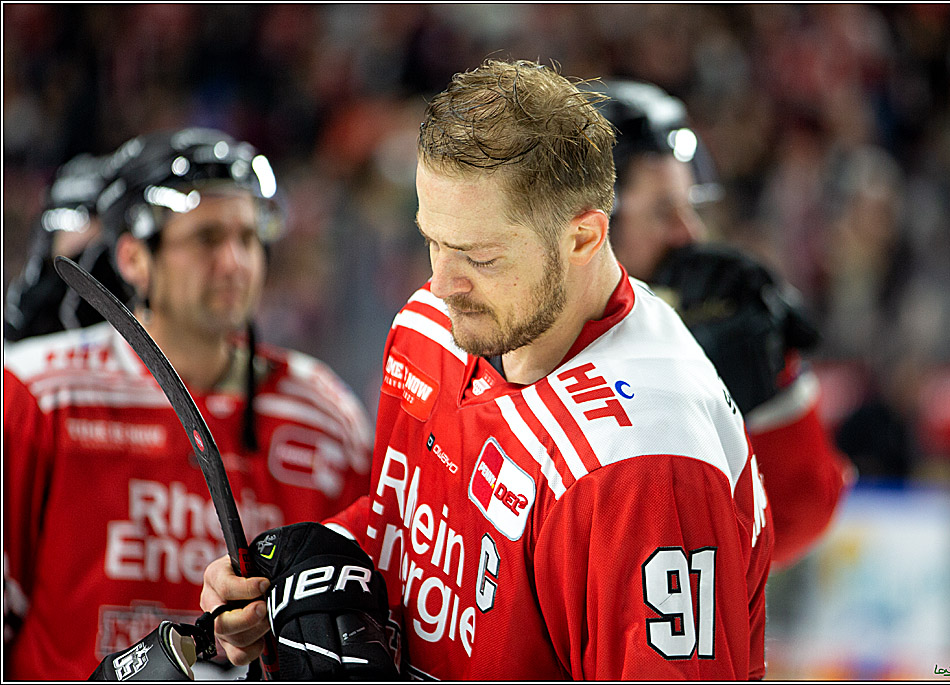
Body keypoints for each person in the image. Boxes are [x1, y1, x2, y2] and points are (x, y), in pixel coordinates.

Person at [202, 59, 772, 680]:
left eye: (480, 255)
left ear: (583, 237)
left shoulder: (646, 464)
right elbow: (411, 522)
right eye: (432, 241)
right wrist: (303, 574)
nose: (442, 284)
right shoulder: (435, 324)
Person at [3, 127, 374, 680]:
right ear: (133, 258)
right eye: (206, 238)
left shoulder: (324, 414)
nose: (235, 262)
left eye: (248, 238)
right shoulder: (38, 393)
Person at [596, 79, 855, 567]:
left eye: (690, 206)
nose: (689, 232)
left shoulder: (692, 326)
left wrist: (772, 388)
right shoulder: (509, 338)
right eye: (662, 211)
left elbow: (798, 517)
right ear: (590, 224)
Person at [4, 152, 133, 343]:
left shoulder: (128, 282)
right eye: (61, 218)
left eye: (85, 218)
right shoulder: (33, 294)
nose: (73, 231)